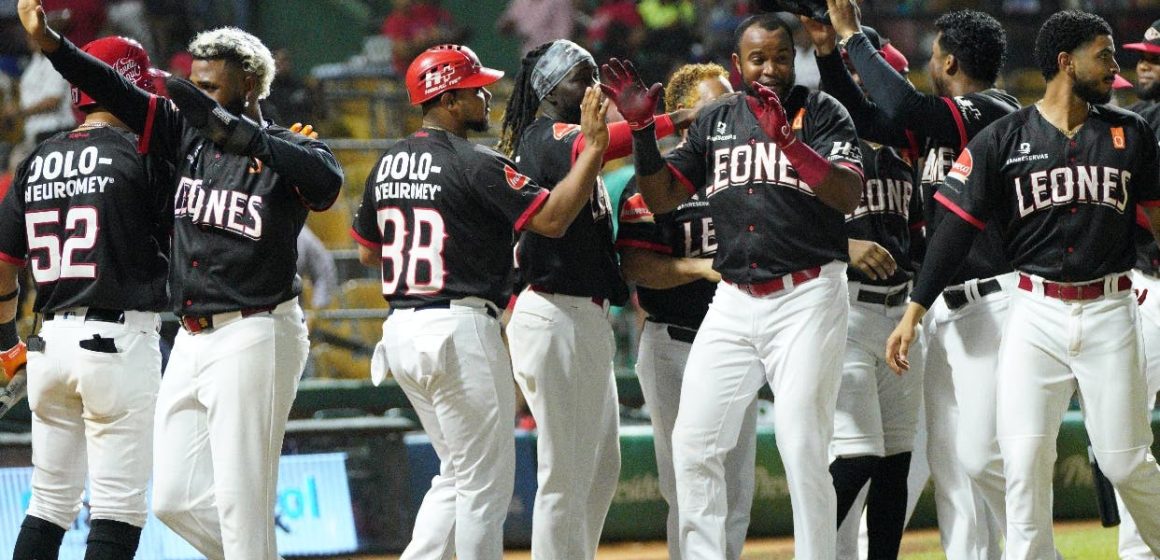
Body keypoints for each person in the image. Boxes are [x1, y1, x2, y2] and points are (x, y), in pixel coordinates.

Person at [18, 0, 345, 558]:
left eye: (211, 88)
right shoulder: (182, 136)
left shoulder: (293, 147)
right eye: (194, 85)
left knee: (242, 501)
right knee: (174, 499)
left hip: (255, 325)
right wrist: (53, 45)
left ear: (248, 84)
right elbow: (114, 89)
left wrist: (250, 137)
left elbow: (327, 183)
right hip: (193, 335)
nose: (198, 97)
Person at [887, 10, 1160, 559]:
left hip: (1110, 309)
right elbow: (952, 233)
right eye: (1102, 54)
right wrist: (915, 308)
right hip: (1034, 314)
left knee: (1126, 461)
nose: (1114, 65)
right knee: (1021, 465)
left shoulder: (1130, 134)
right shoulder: (1002, 138)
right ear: (1065, 62)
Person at [602, 13, 865, 557]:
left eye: (780, 57)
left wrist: (789, 143)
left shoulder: (822, 112)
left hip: (808, 294)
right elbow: (663, 198)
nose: (770, 68)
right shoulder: (718, 117)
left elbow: (847, 196)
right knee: (694, 444)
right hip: (736, 297)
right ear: (737, 65)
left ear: (797, 60)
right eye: (758, 58)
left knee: (802, 445)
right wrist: (645, 135)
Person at [351, 43, 610, 560]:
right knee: (485, 488)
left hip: (402, 330)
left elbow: (365, 251)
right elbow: (553, 219)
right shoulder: (475, 162)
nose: (488, 95)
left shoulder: (387, 161)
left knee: (458, 474)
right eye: (475, 89)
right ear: (447, 98)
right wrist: (595, 152)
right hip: (459, 327)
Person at [819, 2, 1020, 557]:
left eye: (933, 55)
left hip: (996, 303)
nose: (927, 65)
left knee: (989, 458)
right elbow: (867, 119)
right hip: (942, 308)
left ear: (949, 60)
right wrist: (826, 53)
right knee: (953, 464)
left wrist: (850, 34)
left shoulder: (992, 111)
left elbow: (905, 105)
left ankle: (1033, 549)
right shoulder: (942, 123)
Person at [498, 38, 690, 559]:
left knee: (602, 467)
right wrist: (681, 118)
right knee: (564, 472)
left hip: (581, 316)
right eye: (581, 77)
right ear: (550, 87)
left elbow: (600, 145)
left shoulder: (576, 146)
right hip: (554, 309)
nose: (594, 88)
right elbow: (608, 141)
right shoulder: (548, 136)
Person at [0, 35, 171, 560]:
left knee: (48, 505)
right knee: (118, 510)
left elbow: (4, 269)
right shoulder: (142, 155)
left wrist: (5, 343)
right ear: (129, 86)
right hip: (117, 341)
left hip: (48, 346)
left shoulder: (37, 157)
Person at [615, 62, 756, 560]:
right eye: (715, 103)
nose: (729, 110)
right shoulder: (654, 178)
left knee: (737, 486)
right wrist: (699, 268)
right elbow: (636, 264)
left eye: (730, 100)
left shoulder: (746, 169)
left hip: (739, 340)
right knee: (688, 483)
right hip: (676, 341)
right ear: (683, 114)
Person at [805, 24, 927, 559]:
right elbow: (781, 220)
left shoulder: (904, 153)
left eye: (891, 74)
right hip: (845, 311)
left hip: (898, 313)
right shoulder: (816, 141)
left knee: (896, 458)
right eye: (875, 74)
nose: (887, 83)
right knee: (859, 456)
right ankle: (809, 550)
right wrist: (845, 244)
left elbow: (918, 232)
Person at [1114, 20, 1160, 560]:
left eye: (1156, 58)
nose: (1144, 64)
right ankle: (1138, 551)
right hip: (1147, 285)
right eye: (1140, 56)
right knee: (1130, 433)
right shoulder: (1136, 123)